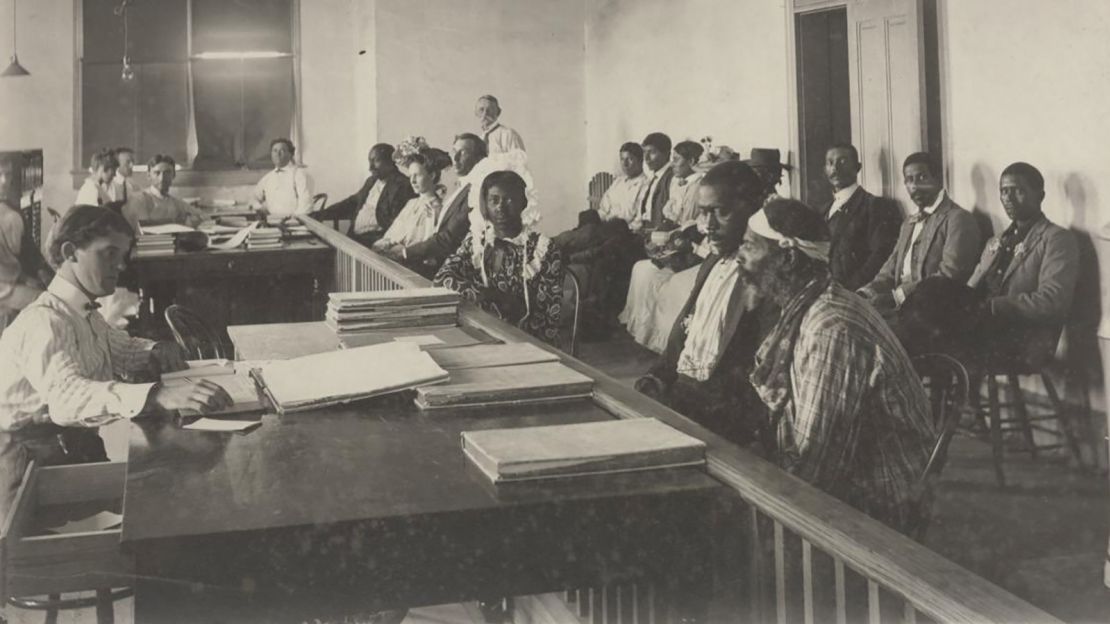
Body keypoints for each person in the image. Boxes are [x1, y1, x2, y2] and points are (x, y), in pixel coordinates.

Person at [0, 205, 233, 519]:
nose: (120, 266)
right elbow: (67, 398)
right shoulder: (43, 321)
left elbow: (115, 346)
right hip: (26, 467)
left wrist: (154, 350)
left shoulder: (82, 311)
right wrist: (156, 394)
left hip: (71, 450)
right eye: (109, 254)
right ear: (70, 252)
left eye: (123, 256)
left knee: (172, 499)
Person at [739, 198, 935, 533]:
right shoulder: (808, 304)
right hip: (846, 478)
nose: (740, 258)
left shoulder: (831, 326)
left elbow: (816, 464)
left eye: (749, 246)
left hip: (879, 501)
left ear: (787, 257)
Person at [635, 161, 776, 445]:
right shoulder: (712, 261)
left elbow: (757, 381)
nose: (709, 226)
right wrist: (656, 377)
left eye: (722, 213)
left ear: (755, 208)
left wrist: (687, 403)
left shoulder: (770, 277)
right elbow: (683, 335)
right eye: (704, 213)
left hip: (724, 417)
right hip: (688, 397)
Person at [966, 162, 1079, 366]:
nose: (1008, 198)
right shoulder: (996, 241)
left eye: (1018, 191)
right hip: (985, 330)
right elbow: (970, 288)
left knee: (940, 342)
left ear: (1040, 196)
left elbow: (1052, 301)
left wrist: (992, 306)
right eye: (1004, 191)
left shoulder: (1056, 238)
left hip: (1023, 339)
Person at [434, 170, 563, 344]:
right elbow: (442, 277)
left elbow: (548, 322)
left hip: (526, 343)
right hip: (480, 333)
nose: (500, 207)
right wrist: (489, 295)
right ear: (485, 205)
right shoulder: (478, 241)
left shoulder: (542, 249)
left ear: (523, 203)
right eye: (494, 200)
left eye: (509, 200)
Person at [859, 152, 981, 315]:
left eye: (922, 177)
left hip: (934, 312)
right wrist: (866, 292)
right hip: (900, 308)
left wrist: (896, 297)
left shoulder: (958, 219)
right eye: (909, 180)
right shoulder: (909, 222)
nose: (914, 186)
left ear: (938, 178)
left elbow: (948, 276)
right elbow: (890, 268)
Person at [380, 134, 487, 278]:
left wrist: (405, 252)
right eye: (455, 152)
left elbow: (446, 239)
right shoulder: (459, 189)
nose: (455, 158)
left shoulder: (475, 190)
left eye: (463, 153)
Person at [820, 144, 902, 290]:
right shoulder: (824, 210)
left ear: (857, 167)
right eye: (830, 162)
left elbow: (881, 257)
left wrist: (849, 289)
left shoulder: (875, 206)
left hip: (854, 295)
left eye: (843, 161)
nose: (835, 168)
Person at [314, 144, 416, 247]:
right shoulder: (371, 181)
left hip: (374, 245)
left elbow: (397, 226)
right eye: (369, 161)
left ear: (390, 161)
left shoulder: (402, 185)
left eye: (375, 161)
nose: (370, 167)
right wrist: (317, 216)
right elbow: (352, 202)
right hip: (355, 239)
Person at [0, 161, 51, 330]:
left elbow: (30, 253)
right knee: (45, 304)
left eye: (7, 175)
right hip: (5, 286)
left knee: (50, 296)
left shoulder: (13, 212)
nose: (4, 181)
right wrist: (24, 278)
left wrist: (45, 275)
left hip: (12, 282)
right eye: (0, 175)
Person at [372, 143, 452, 250]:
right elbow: (392, 233)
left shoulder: (434, 209)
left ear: (432, 176)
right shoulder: (412, 203)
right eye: (410, 176)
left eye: (417, 176)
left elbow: (421, 246)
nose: (412, 181)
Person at [121, 154, 206, 233]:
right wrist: (180, 221)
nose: (162, 178)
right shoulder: (138, 199)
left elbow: (201, 215)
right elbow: (145, 226)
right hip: (147, 245)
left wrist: (192, 221)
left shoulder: (175, 202)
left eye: (167, 173)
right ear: (148, 176)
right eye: (157, 173)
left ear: (173, 175)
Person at [251, 138, 315, 218]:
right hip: (272, 222)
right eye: (274, 150)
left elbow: (306, 206)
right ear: (271, 154)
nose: (278, 154)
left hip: (295, 224)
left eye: (282, 150)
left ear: (291, 154)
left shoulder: (299, 175)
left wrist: (293, 220)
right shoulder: (268, 178)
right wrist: (260, 208)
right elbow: (253, 197)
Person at [659, 140, 706, 228]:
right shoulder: (676, 182)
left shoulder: (697, 186)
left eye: (676, 160)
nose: (672, 164)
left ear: (691, 161)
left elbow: (687, 222)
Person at [636, 132, 674, 230]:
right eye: (644, 152)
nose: (646, 158)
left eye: (652, 152)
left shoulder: (672, 177)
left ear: (666, 154)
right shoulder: (655, 177)